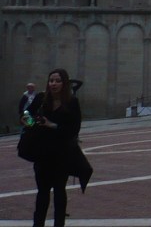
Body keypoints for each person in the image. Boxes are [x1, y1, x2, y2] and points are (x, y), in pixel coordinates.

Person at [22, 68, 82, 227]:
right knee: (42, 192)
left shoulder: (72, 102)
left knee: (59, 191)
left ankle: (59, 224)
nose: (53, 84)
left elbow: (74, 129)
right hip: (42, 153)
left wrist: (52, 125)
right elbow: (26, 114)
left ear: (64, 83)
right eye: (51, 80)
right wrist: (30, 122)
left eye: (58, 81)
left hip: (62, 154)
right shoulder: (41, 98)